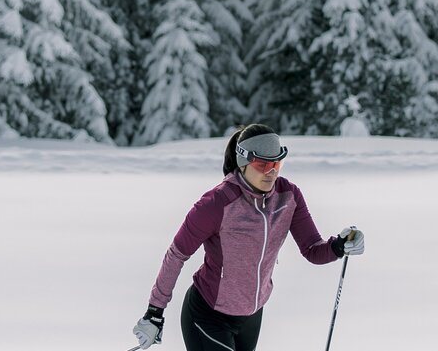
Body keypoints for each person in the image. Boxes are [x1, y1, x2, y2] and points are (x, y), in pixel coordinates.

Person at [132, 124, 366, 351]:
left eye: (277, 163)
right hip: (208, 316)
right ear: (243, 162)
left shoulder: (288, 197)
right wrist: (154, 312)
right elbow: (176, 255)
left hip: (251, 317)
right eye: (262, 164)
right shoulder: (217, 203)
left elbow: (313, 249)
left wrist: (338, 246)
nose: (271, 172)